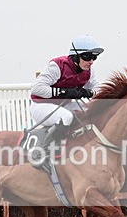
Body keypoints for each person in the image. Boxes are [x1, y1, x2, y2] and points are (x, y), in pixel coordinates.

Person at [29, 34, 103, 171]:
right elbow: (37, 89)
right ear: (75, 56)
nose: (91, 61)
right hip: (41, 106)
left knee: (91, 112)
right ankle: (42, 155)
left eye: (94, 57)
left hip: (64, 105)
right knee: (66, 117)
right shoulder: (57, 66)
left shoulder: (89, 71)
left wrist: (88, 93)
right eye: (87, 57)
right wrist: (64, 92)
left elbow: (98, 90)